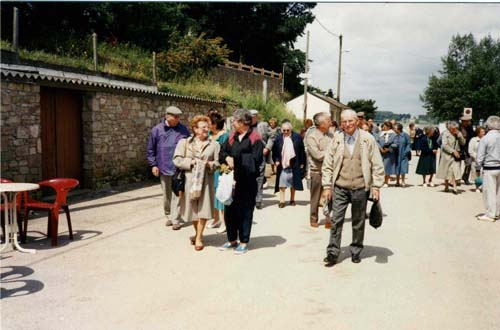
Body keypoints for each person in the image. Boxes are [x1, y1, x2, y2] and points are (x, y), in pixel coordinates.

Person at [321, 109, 385, 266]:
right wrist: (327, 186)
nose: (347, 124)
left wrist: (376, 186)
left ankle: (356, 250)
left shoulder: (367, 139)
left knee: (358, 221)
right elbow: (328, 165)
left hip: (360, 187)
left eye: (350, 121)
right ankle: (333, 252)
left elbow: (377, 164)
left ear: (357, 121)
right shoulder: (336, 139)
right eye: (344, 121)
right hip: (340, 187)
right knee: (336, 220)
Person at [219, 109, 264, 254]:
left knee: (245, 211)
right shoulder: (232, 137)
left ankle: (244, 241)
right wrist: (226, 158)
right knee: (229, 211)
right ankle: (232, 239)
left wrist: (236, 160)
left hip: (247, 181)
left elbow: (255, 160)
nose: (232, 124)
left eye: (234, 121)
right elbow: (222, 152)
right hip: (231, 180)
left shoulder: (255, 138)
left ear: (243, 122)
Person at [173, 115, 220, 251]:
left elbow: (217, 163)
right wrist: (191, 162)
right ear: (195, 129)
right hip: (189, 181)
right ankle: (197, 232)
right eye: (203, 127)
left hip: (206, 181)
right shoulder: (184, 143)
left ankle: (199, 237)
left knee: (203, 210)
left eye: (207, 126)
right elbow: (177, 159)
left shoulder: (214, 145)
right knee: (192, 210)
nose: (207, 129)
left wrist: (209, 164)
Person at [146, 106, 189, 231]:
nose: (177, 119)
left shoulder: (183, 130)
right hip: (163, 166)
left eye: (178, 117)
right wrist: (153, 165)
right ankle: (169, 215)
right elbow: (150, 149)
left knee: (177, 193)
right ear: (167, 116)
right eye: (174, 117)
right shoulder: (157, 130)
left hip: (178, 168)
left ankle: (175, 219)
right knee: (166, 194)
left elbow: (189, 146)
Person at [305, 112, 333, 228]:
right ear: (321, 123)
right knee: (315, 197)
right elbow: (317, 155)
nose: (330, 122)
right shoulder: (312, 137)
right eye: (328, 120)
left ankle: (328, 219)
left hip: (330, 171)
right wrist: (331, 153)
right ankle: (313, 218)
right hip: (317, 171)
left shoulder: (331, 135)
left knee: (330, 197)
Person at [273, 121, 306, 208]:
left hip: (294, 164)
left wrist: (302, 163)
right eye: (284, 130)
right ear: (281, 130)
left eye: (288, 130)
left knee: (293, 183)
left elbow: (302, 151)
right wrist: (276, 160)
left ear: (291, 130)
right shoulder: (278, 138)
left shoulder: (297, 137)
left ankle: (292, 199)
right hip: (283, 165)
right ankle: (282, 201)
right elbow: (275, 151)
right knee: (281, 184)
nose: (286, 132)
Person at [207, 112, 230, 233]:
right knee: (211, 194)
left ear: (215, 124)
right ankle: (215, 219)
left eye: (209, 122)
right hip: (208, 169)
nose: (207, 125)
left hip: (220, 169)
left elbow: (226, 153)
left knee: (220, 195)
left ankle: (224, 222)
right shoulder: (209, 135)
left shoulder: (225, 136)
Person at [475, 116, 500, 222]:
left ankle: (490, 214)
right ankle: (497, 212)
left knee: (489, 192)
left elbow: (479, 157)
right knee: (499, 192)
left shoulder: (485, 139)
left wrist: (477, 168)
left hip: (489, 168)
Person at [249, 109, 275, 209]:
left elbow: (272, 136)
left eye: (252, 116)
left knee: (260, 176)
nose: (250, 118)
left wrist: (267, 148)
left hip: (260, 154)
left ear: (257, 117)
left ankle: (258, 200)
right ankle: (251, 197)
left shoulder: (263, 125)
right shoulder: (245, 126)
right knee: (250, 176)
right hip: (249, 155)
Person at [436, 121, 466, 194]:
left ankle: (454, 187)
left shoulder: (458, 133)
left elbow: (463, 143)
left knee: (455, 170)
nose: (454, 129)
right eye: (453, 128)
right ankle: (446, 186)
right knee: (446, 170)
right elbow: (444, 145)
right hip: (447, 155)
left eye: (456, 128)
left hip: (456, 156)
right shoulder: (445, 133)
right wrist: (453, 151)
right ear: (449, 128)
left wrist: (459, 136)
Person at [376, 121, 397, 187]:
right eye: (383, 126)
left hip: (389, 153)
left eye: (385, 126)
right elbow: (376, 141)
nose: (383, 127)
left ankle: (386, 182)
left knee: (387, 167)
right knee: (380, 167)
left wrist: (389, 149)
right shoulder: (380, 133)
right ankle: (380, 181)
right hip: (380, 152)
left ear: (388, 127)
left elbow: (395, 143)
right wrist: (380, 148)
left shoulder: (394, 134)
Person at [468, 126, 486, 192]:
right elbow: (470, 151)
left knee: (484, 174)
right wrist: (477, 158)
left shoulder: (486, 139)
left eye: (484, 132)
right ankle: (477, 187)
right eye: (482, 132)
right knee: (477, 174)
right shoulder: (473, 140)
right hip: (475, 160)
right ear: (478, 133)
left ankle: (483, 186)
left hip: (485, 160)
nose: (484, 133)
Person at [459, 114, 475, 185]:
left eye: (468, 121)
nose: (468, 122)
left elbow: (473, 136)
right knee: (457, 164)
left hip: (467, 148)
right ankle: (456, 179)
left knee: (468, 164)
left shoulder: (470, 128)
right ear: (463, 121)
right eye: (466, 121)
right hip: (459, 148)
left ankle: (465, 177)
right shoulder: (458, 128)